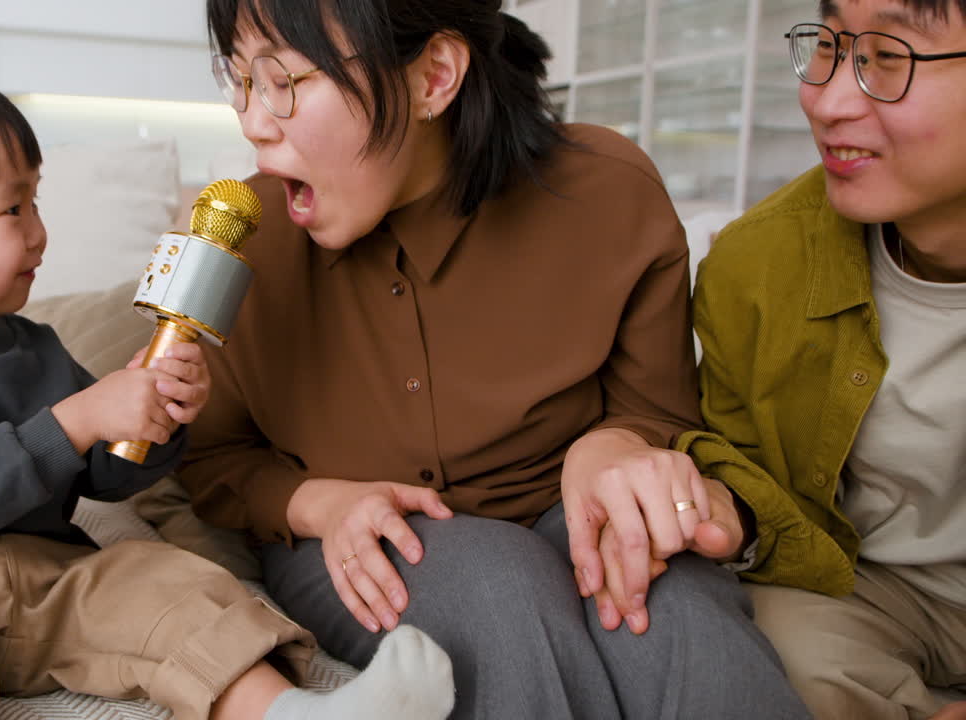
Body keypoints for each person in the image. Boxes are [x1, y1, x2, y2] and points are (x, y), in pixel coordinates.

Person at [0, 64, 455, 720]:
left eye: (35, 200)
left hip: (48, 582)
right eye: (11, 209)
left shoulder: (35, 346)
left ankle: (291, 712)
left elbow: (109, 476)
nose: (39, 233)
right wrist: (71, 423)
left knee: (165, 581)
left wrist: (155, 417)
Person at [173, 1, 812, 718]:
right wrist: (324, 504)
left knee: (680, 611)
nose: (253, 121)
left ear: (434, 77)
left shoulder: (607, 192)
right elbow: (211, 458)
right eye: (240, 80)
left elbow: (657, 410)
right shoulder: (241, 238)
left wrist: (615, 446)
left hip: (564, 508)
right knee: (493, 588)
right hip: (354, 537)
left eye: (285, 81)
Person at [646, 0, 966, 718]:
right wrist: (731, 509)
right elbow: (745, 461)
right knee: (762, 655)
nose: (826, 101)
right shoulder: (757, 265)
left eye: (888, 57)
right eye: (828, 45)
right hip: (878, 591)